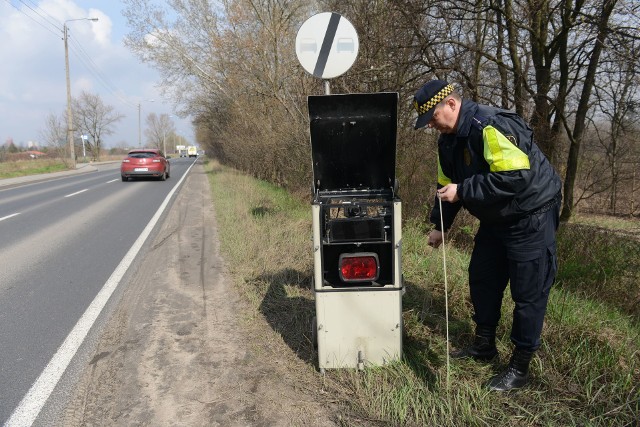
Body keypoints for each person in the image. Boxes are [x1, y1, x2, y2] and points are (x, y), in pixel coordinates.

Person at [413, 79, 562, 391]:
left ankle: (519, 369)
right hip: (496, 218)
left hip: (530, 215)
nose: (432, 127)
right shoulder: (447, 142)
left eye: (433, 118)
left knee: (528, 293)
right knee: (482, 277)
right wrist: (440, 225)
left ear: (451, 105)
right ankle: (484, 346)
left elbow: (516, 177)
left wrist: (464, 190)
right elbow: (446, 186)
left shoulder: (489, 126)